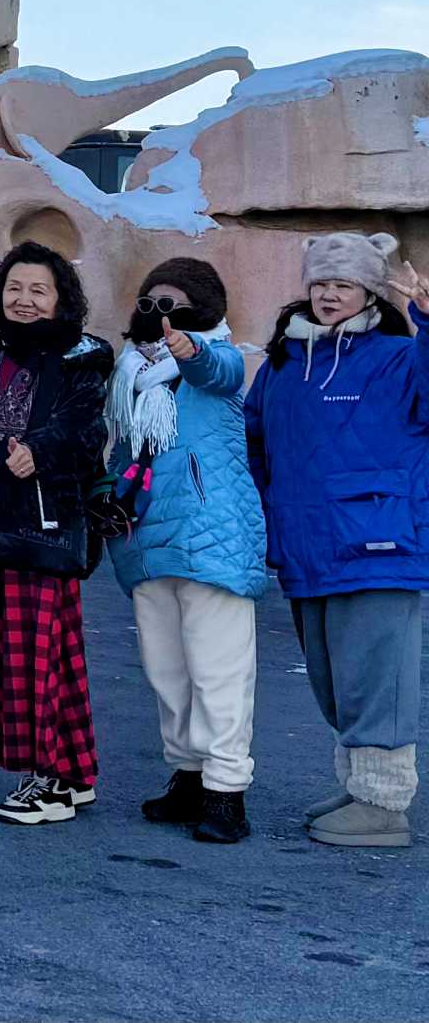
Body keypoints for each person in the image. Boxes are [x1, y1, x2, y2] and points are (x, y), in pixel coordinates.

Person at [248, 233, 429, 848]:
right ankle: (359, 785)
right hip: (306, 546)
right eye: (321, 282)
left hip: (378, 546)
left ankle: (384, 805)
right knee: (333, 676)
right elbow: (256, 443)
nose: (329, 294)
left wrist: (428, 317)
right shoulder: (284, 364)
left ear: (370, 291)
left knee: (377, 676)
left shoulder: (398, 357)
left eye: (344, 284)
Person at [0, 243, 110, 825]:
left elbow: (83, 428)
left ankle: (54, 780)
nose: (25, 300)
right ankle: (74, 771)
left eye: (39, 290)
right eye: (15, 288)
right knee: (11, 655)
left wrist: (40, 451)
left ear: (61, 299)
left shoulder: (85, 356)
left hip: (46, 523)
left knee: (43, 657)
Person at [105, 257, 264, 844]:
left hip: (208, 534)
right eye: (153, 304)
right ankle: (189, 777)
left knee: (219, 670)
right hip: (146, 537)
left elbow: (220, 372)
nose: (161, 316)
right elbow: (119, 455)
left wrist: (188, 348)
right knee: (167, 670)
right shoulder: (129, 374)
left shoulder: (217, 359)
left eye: (175, 305)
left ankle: (227, 792)